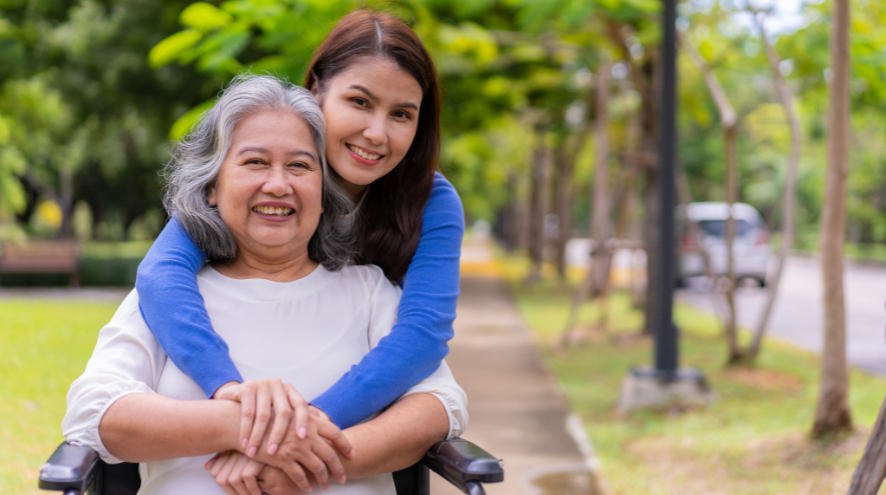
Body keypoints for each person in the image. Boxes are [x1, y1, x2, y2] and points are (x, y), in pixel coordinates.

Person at [62, 75, 466, 495]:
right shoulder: (170, 298)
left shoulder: (369, 291)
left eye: (299, 165)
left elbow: (439, 406)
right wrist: (240, 425)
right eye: (255, 162)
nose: (278, 184)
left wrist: (304, 462)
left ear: (324, 192)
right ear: (213, 186)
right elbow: (95, 412)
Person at [134, 9, 464, 465]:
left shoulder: (431, 201)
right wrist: (228, 392)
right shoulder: (261, 180)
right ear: (316, 93)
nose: (376, 132)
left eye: (401, 114)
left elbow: (422, 335)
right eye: (360, 102)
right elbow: (160, 274)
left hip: (348, 411)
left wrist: (295, 431)